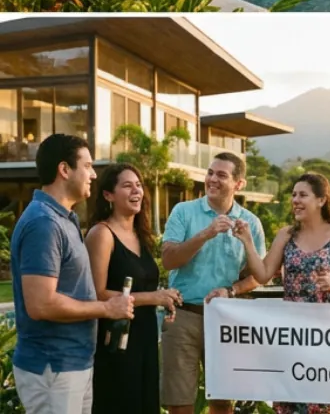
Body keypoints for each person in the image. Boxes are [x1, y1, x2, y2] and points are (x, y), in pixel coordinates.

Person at [10, 133, 134, 414]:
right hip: (53, 367)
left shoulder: (65, 218)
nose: (93, 174)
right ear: (64, 170)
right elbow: (41, 304)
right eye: (87, 165)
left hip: (72, 363)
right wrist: (105, 308)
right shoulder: (44, 223)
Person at [233, 171, 330, 414]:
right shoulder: (286, 234)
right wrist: (247, 242)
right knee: (294, 401)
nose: (295, 200)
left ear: (321, 200)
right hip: (294, 334)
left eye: (303, 195)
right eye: (294, 195)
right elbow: (263, 274)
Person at [159, 151, 266, 414]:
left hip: (226, 319)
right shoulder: (183, 212)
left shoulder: (251, 223)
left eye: (221, 175)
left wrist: (233, 290)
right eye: (210, 173)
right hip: (183, 315)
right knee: (179, 401)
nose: (212, 179)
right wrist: (205, 234)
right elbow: (169, 260)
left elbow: (260, 275)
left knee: (222, 401)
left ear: (239, 184)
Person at [85, 163, 183, 414]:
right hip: (116, 339)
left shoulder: (142, 236)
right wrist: (153, 297)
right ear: (108, 195)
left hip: (145, 336)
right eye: (127, 185)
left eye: (138, 185)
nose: (136, 191)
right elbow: (97, 293)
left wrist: (165, 299)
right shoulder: (102, 234)